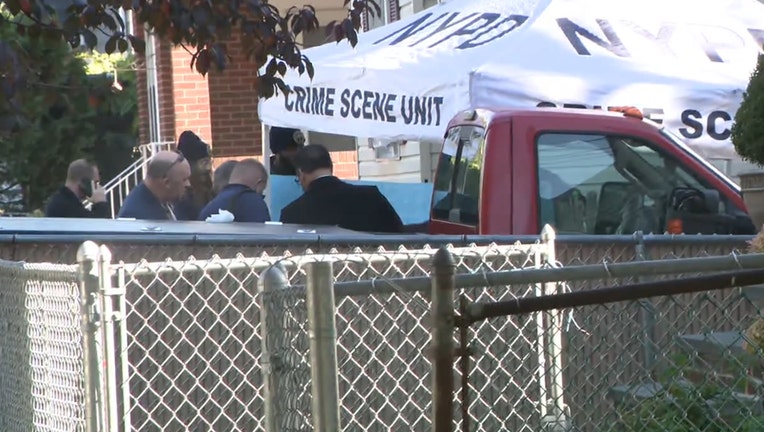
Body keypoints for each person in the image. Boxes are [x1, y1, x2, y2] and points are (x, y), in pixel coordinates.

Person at [280, 144, 404, 233]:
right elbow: (399, 232)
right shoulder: (371, 196)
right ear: (331, 167)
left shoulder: (291, 213)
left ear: (301, 174)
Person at [117, 151, 191, 220]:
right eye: (184, 180)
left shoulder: (168, 200)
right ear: (167, 182)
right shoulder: (135, 215)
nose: (188, 184)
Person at [198, 158, 270, 222]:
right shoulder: (253, 202)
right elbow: (265, 235)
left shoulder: (209, 207)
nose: (260, 195)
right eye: (262, 191)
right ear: (259, 183)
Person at [45, 159, 110, 218]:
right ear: (85, 182)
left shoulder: (63, 200)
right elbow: (95, 226)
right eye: (95, 183)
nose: (97, 187)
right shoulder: (66, 206)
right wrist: (101, 204)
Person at [174, 131, 214, 220]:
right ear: (188, 165)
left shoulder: (211, 192)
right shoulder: (178, 197)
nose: (208, 168)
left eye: (209, 162)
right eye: (204, 163)